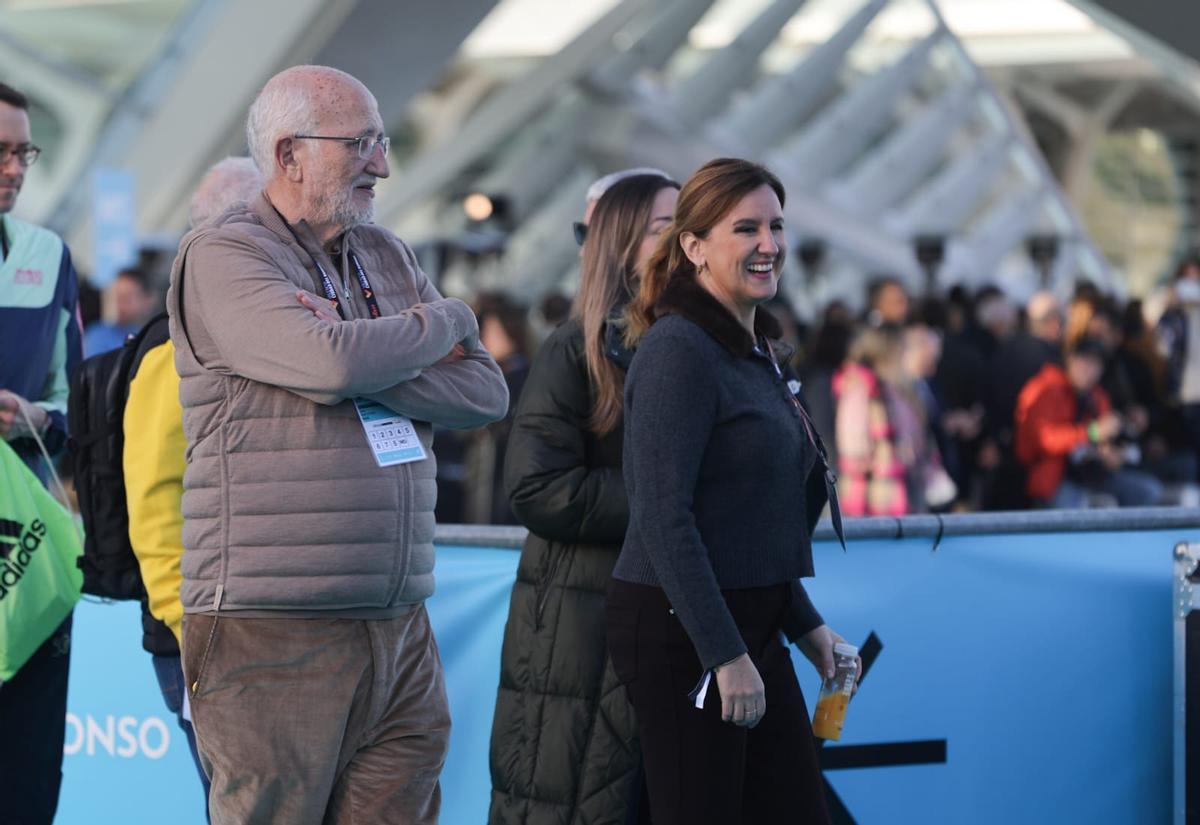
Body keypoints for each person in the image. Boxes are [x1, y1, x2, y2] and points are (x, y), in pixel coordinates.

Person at [168, 65, 509, 823]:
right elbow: (332, 364)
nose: (382, 163)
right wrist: (445, 321)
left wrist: (357, 358)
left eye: (381, 141)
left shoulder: (385, 254)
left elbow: (485, 391)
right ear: (288, 154)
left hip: (399, 625)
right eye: (360, 143)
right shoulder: (223, 256)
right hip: (273, 627)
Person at [606, 158, 856, 825]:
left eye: (775, 225)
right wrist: (723, 653)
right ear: (693, 246)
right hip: (682, 629)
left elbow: (744, 521)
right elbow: (665, 516)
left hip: (746, 625)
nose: (768, 244)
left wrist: (805, 625)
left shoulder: (754, 346)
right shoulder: (678, 350)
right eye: (745, 228)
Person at [489, 172, 679, 825]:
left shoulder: (714, 345)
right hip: (578, 625)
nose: (686, 238)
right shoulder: (578, 348)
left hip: (667, 620)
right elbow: (536, 487)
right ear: (623, 244)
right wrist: (670, 505)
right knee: (567, 802)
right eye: (665, 227)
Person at [122, 156, 264, 821]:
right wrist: (192, 629)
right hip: (204, 638)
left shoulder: (245, 333)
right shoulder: (171, 349)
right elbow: (153, 502)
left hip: (242, 627)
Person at [0, 80, 84, 825]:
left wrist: (32, 416)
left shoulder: (48, 256)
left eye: (21, 150)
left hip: (23, 550)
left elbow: (78, 404)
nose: (14, 168)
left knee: (25, 774)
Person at [1015, 336, 1162, 508]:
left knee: (1147, 490)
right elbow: (1045, 439)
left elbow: (1106, 438)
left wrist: (1113, 453)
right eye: (1084, 362)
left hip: (1094, 473)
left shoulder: (1097, 395)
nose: (1089, 370)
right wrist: (1090, 433)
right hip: (1055, 476)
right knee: (1075, 510)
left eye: (1096, 365)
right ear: (1070, 359)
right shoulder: (1046, 387)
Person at [82, 266, 159, 355]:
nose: (119, 304)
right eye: (116, 296)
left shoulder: (157, 338)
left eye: (127, 298)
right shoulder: (98, 335)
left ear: (148, 300)